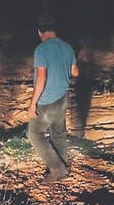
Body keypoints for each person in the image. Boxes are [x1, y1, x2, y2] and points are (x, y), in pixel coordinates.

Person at [27, 15, 79, 182]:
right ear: (55, 30)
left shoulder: (41, 50)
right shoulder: (67, 47)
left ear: (39, 32)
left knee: (35, 134)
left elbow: (41, 79)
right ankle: (64, 163)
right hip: (62, 97)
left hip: (46, 101)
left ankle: (57, 169)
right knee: (58, 133)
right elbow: (75, 72)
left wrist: (32, 104)